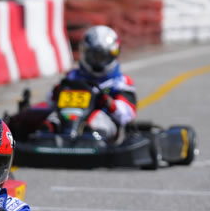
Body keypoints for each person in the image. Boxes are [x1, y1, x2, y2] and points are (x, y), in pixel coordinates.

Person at [8, 25, 137, 140]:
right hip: (67, 115)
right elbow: (50, 102)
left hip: (100, 120)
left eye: (102, 57)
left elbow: (127, 115)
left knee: (96, 120)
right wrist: (57, 92)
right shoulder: (73, 76)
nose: (98, 61)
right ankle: (46, 134)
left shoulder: (120, 82)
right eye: (94, 56)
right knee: (52, 118)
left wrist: (108, 102)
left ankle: (89, 137)